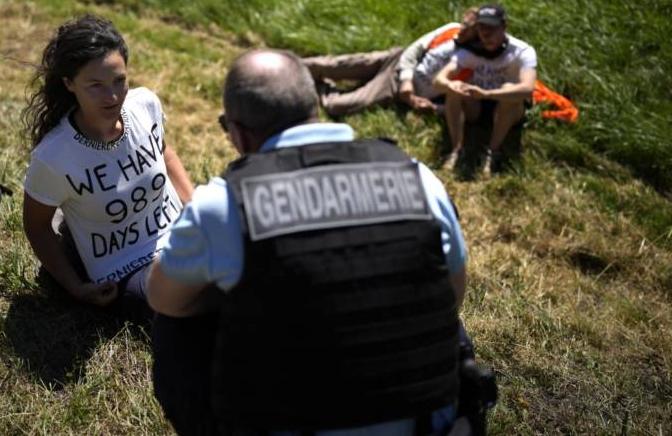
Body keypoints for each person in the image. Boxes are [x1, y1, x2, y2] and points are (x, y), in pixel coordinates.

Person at [146, 49, 469, 435]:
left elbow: (162, 298)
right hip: (427, 422)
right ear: (315, 106)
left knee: (175, 326)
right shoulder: (418, 178)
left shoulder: (224, 204)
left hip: (295, 423)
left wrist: (239, 294)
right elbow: (453, 293)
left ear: (238, 133)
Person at [21, 14, 194, 307]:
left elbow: (163, 151)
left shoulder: (145, 105)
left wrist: (194, 206)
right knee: (185, 294)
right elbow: (36, 226)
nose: (112, 96)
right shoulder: (53, 157)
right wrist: (76, 287)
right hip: (125, 268)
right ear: (69, 83)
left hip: (179, 236)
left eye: (119, 80)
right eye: (96, 85)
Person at [302, 9, 480, 116]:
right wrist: (406, 80)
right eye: (464, 24)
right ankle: (291, 67)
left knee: (337, 106)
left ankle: (321, 84)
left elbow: (469, 109)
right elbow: (413, 51)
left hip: (394, 86)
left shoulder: (475, 63)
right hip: (396, 60)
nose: (462, 31)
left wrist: (435, 108)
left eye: (469, 31)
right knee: (327, 65)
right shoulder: (451, 29)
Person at [433, 4, 537, 176]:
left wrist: (488, 94)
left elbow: (527, 89)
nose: (486, 34)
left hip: (508, 108)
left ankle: (492, 151)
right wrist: (450, 85)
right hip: (477, 106)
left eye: (492, 28)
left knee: (509, 90)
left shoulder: (522, 51)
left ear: (504, 26)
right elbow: (438, 80)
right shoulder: (470, 51)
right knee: (455, 87)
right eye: (482, 28)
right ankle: (457, 150)